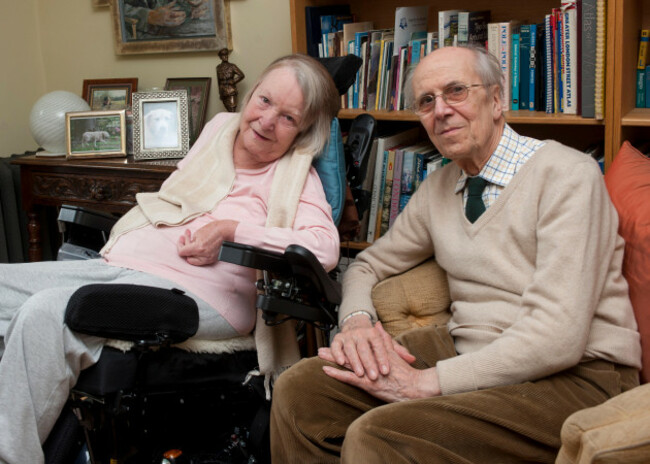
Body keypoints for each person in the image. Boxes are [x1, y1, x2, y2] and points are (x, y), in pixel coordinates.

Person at [270, 45, 642, 463]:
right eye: (426, 101)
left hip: (576, 376)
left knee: (381, 435)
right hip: (471, 352)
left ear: (497, 99)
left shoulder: (567, 175)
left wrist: (424, 383)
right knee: (301, 391)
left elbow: (557, 337)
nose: (441, 110)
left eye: (456, 91)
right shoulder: (440, 187)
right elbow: (369, 264)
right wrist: (356, 323)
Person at [0, 53, 341, 464]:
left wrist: (232, 229)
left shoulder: (297, 174)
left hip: (196, 294)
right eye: (265, 101)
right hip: (122, 267)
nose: (267, 121)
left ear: (303, 131)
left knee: (46, 312)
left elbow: (322, 248)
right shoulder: (219, 128)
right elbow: (179, 195)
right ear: (252, 95)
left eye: (288, 117)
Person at [217, 48, 246, 112]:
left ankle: (234, 122)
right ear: (220, 57)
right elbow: (218, 82)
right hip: (223, 91)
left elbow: (241, 75)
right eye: (223, 55)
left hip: (231, 90)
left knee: (232, 109)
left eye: (226, 55)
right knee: (228, 110)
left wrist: (233, 81)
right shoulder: (218, 67)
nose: (226, 57)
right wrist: (220, 93)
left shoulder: (232, 66)